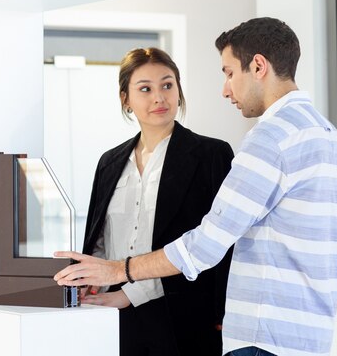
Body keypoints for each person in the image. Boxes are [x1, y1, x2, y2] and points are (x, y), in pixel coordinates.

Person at [54, 18, 337, 356]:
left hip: (259, 336)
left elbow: (207, 245)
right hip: (309, 339)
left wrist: (120, 270)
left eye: (229, 72)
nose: (226, 88)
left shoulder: (269, 139)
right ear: (125, 98)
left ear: (258, 66)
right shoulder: (335, 142)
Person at [80, 47, 234, 356]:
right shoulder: (109, 162)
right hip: (114, 312)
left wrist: (222, 312)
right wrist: (88, 282)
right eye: (145, 89)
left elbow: (219, 247)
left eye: (167, 85)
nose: (159, 98)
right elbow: (99, 238)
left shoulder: (212, 155)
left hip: (183, 313)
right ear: (126, 98)